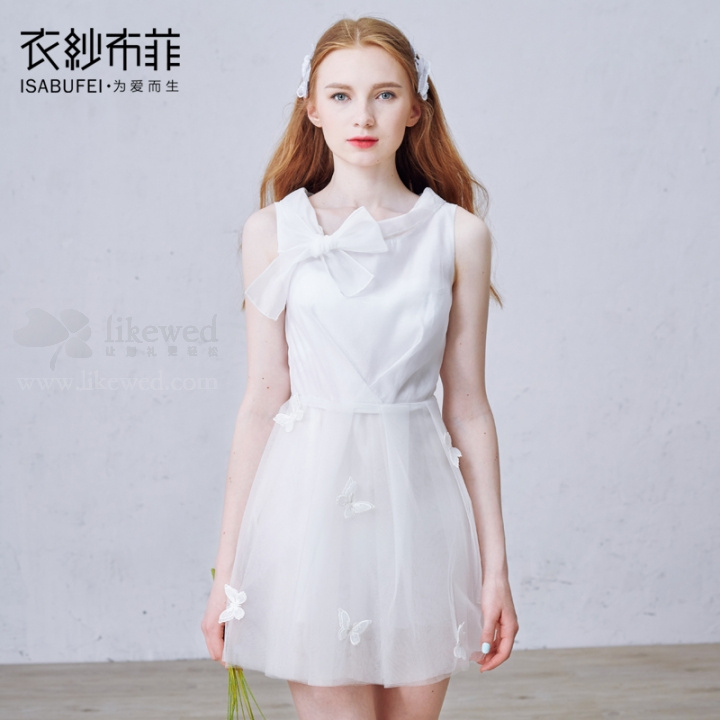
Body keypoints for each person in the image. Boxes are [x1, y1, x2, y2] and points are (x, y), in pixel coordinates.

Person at [201, 15, 519, 720]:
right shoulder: (272, 232)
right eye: (340, 95)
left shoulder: (459, 235)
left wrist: (496, 569)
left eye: (384, 94)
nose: (363, 116)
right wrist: (229, 571)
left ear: (416, 108)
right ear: (312, 109)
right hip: (307, 511)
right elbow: (262, 399)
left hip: (421, 514)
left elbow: (468, 405)